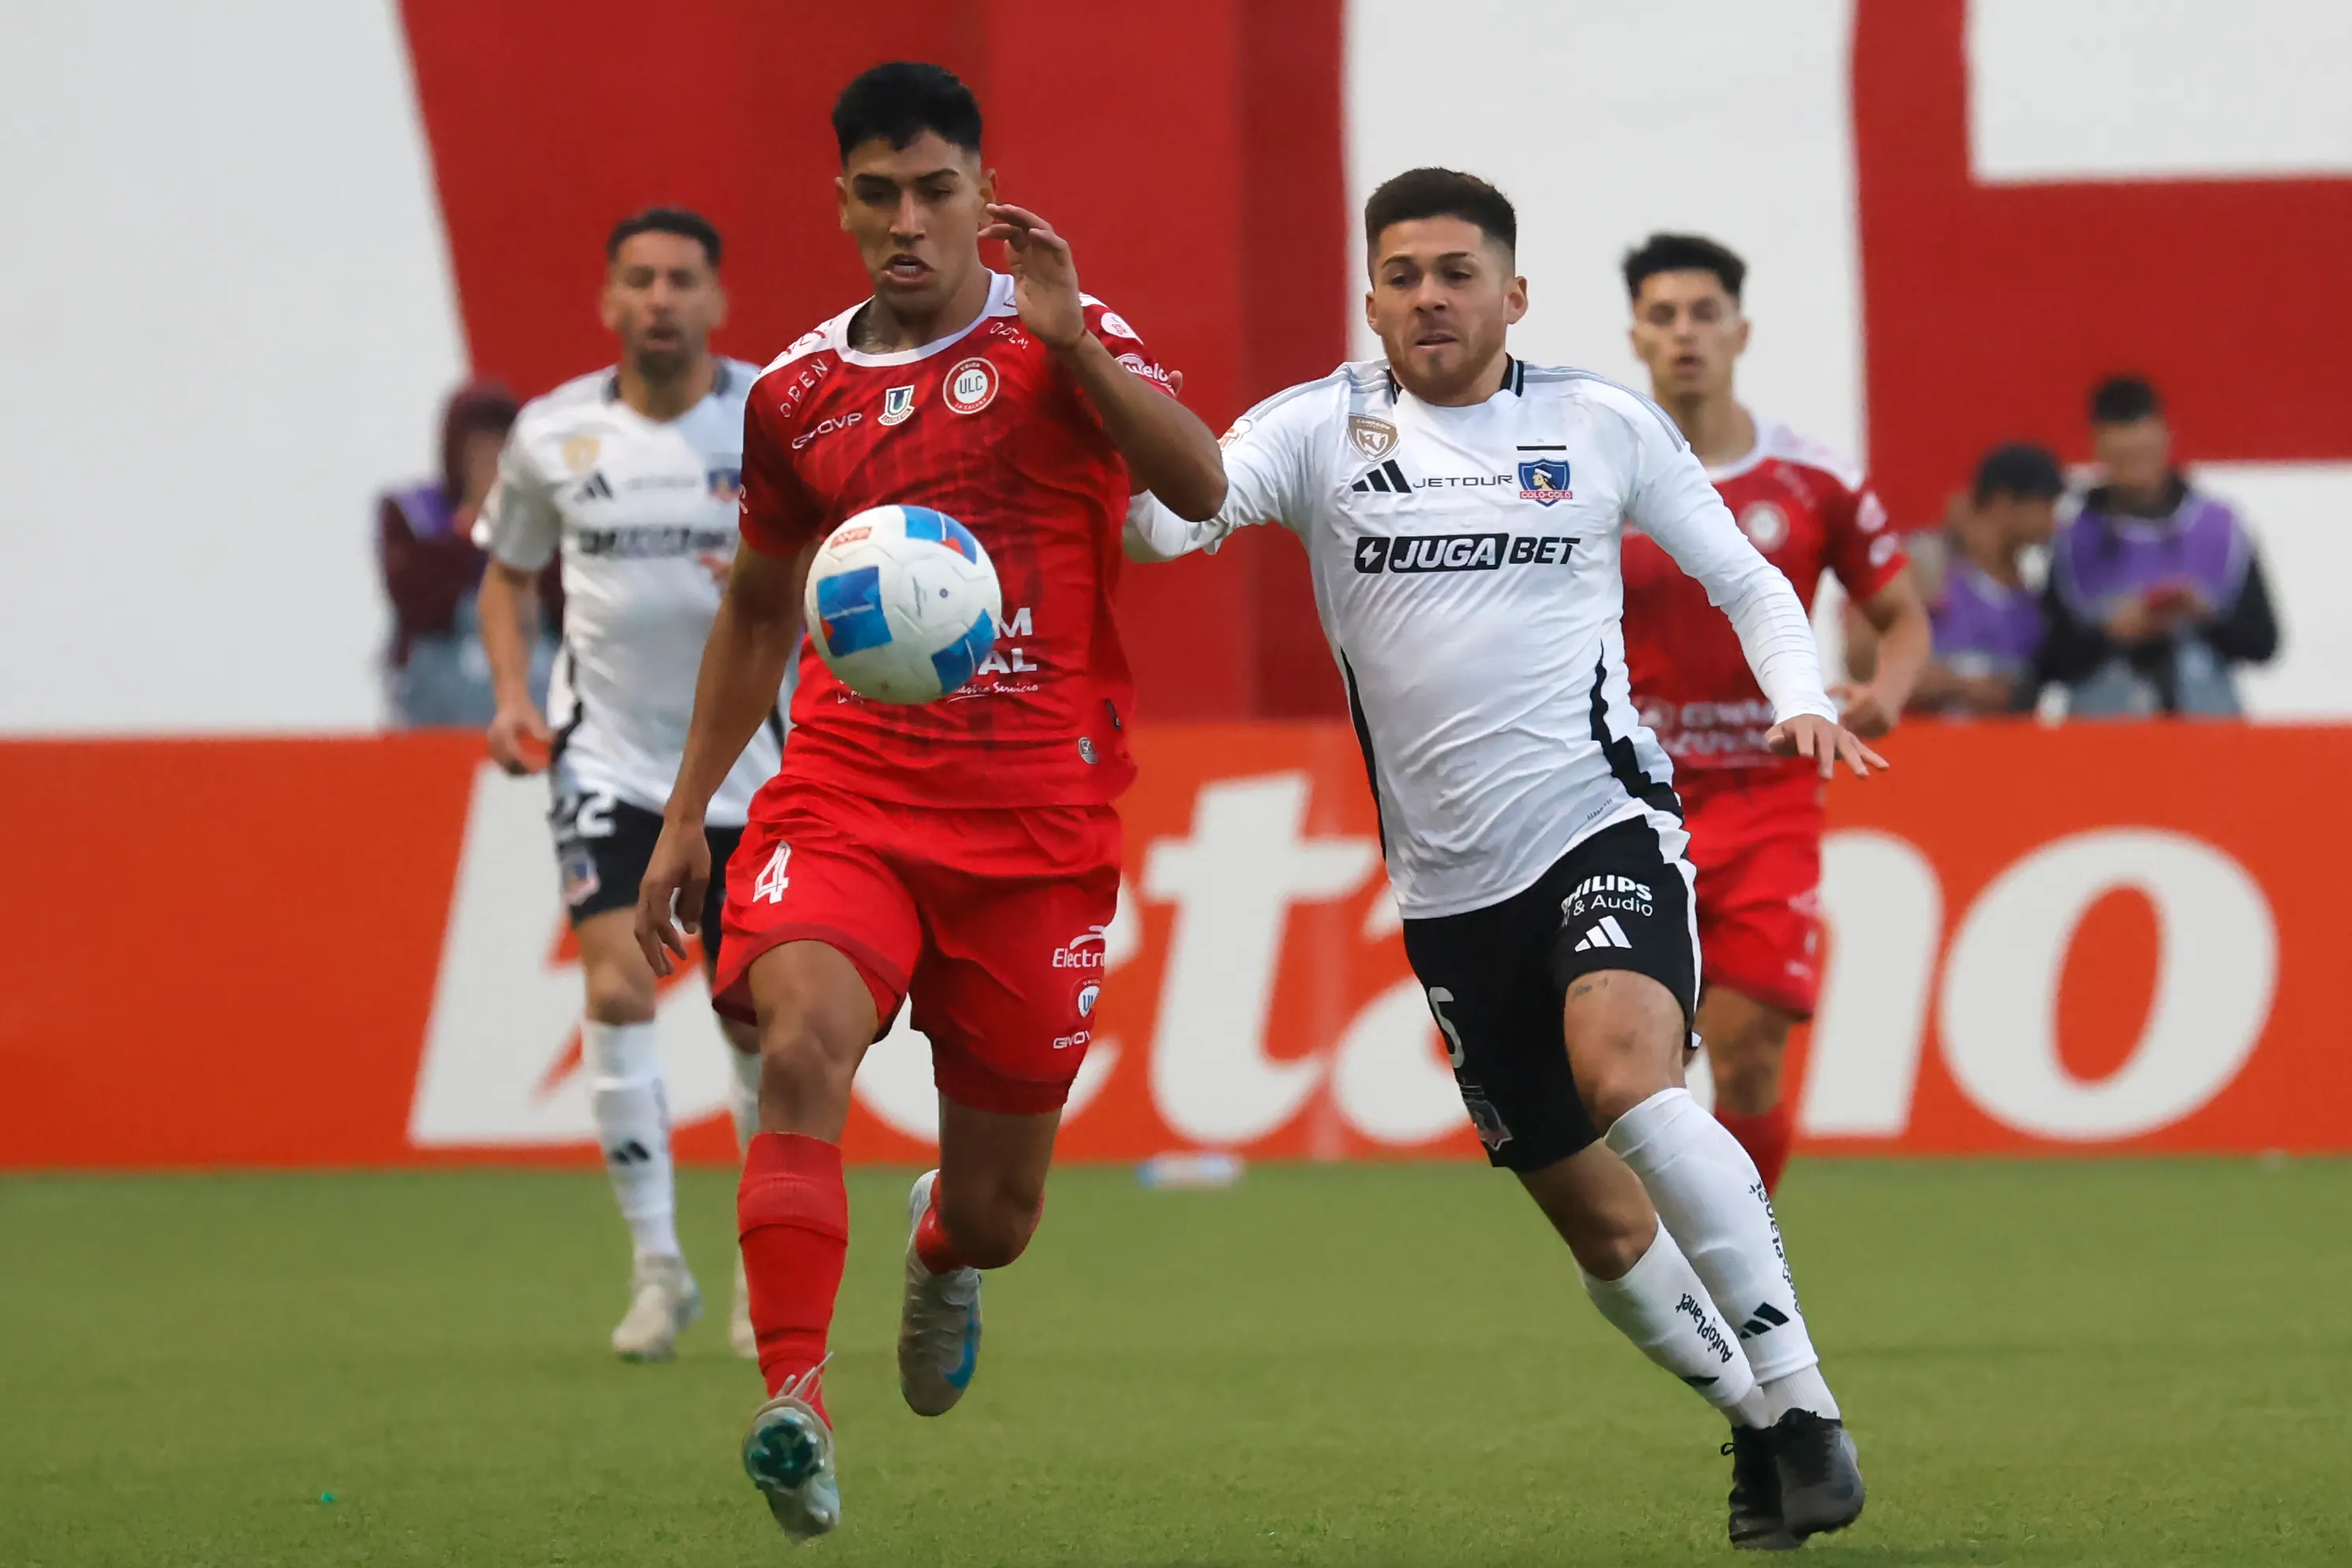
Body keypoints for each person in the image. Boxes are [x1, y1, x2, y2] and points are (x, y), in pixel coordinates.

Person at [1126, 169, 1878, 1551]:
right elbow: (1163, 523)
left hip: (1603, 821)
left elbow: (1745, 575)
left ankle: (1808, 1403)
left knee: (1630, 1076)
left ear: (1513, 292)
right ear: (1370, 296)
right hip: (1450, 897)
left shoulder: (1595, 421)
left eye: (1458, 271)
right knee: (1598, 1230)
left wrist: (1799, 690)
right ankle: (1758, 1423)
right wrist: (1094, 395)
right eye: (1403, 273)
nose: (1431, 296)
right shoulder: (1311, 431)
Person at [631, 63, 1223, 1542]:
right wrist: (682, 813)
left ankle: (940, 1248)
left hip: (1036, 833)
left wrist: (1077, 345)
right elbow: (759, 606)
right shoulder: (796, 394)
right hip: (846, 794)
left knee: (1002, 1212)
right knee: (801, 1037)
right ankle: (791, 1401)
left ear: (982, 191)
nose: (908, 221)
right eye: (878, 194)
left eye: (935, 190)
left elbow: (1201, 488)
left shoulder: (1059, 339)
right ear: (840, 203)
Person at [475, 207, 785, 1365]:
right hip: (606, 764)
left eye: (681, 281)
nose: (659, 299)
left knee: (754, 1021)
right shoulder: (551, 437)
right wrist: (512, 694)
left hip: (758, 771)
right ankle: (659, 1269)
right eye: (639, 280)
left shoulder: (770, 418)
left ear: (716, 303)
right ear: (608, 300)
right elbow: (504, 579)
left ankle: (766, 1276)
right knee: (615, 992)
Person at [1612, 233, 1929, 1198]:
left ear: (1740, 329)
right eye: (1664, 316)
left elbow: (1901, 615)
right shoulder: (1594, 473)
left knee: (1748, 1052)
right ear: (1636, 335)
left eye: (1704, 314)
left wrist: (1889, 693)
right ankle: (1669, 1267)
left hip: (1767, 794)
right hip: (1625, 799)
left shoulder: (1813, 480)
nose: (1685, 334)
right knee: (1633, 1068)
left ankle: (1741, 1268)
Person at [2040, 375, 2279, 716]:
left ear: (2167, 437)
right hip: (2106, 735)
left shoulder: (2220, 528)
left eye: (2143, 454)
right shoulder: (2073, 540)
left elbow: (2263, 644)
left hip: (2206, 729)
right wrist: (2109, 633)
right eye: (2123, 458)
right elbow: (2049, 662)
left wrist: (2205, 614)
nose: (2137, 470)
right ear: (2097, 449)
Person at [377, 382, 558, 726]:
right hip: (442, 682)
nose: (491, 467)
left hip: (534, 677)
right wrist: (467, 538)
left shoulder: (549, 518)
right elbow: (415, 605)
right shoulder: (413, 516)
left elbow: (568, 604)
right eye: (480, 454)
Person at [1906, 442, 2063, 716]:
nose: (2053, 523)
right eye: (2045, 507)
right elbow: (1871, 667)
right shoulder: (1928, 568)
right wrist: (1961, 686)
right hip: (1924, 747)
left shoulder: (2030, 601)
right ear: (2003, 504)